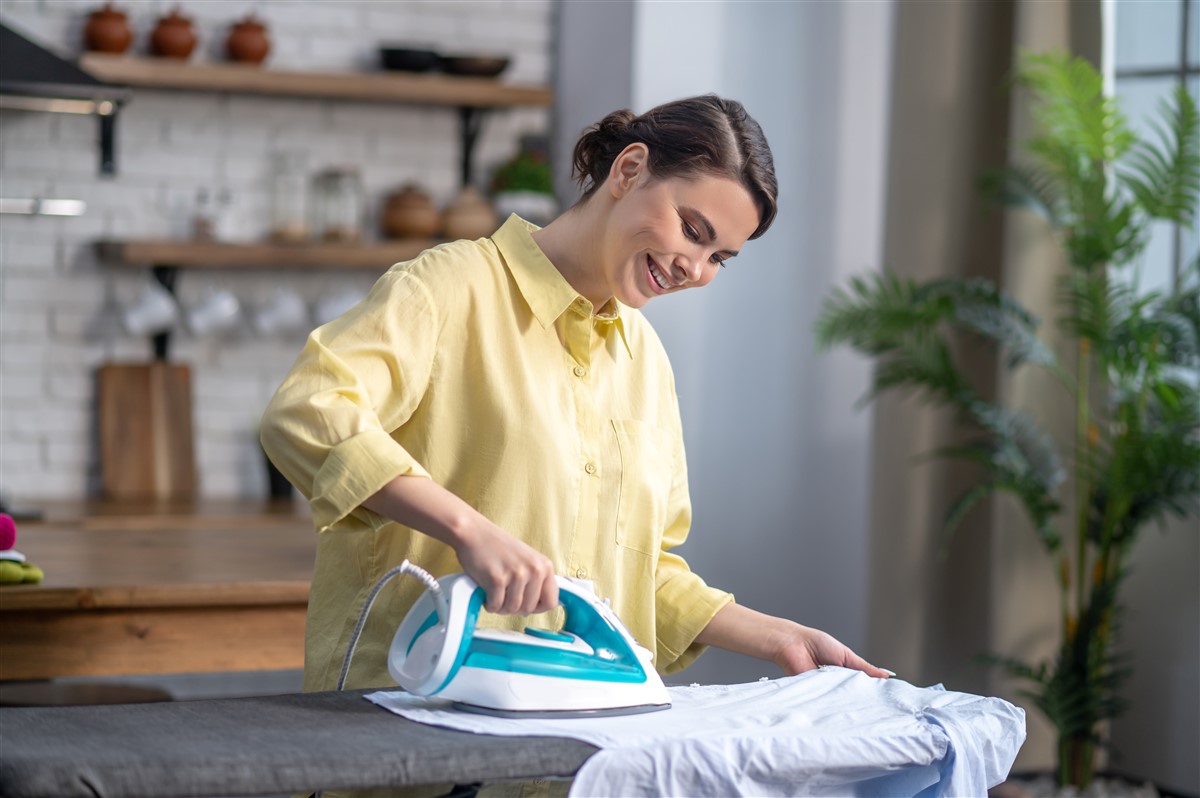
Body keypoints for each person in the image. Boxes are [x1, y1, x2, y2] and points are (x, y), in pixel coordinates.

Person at [260, 95, 888, 705]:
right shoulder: (449, 289)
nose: (694, 269)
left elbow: (638, 574)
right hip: (413, 731)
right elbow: (308, 409)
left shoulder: (645, 361)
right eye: (692, 230)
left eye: (718, 257)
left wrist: (780, 637)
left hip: (579, 751)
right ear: (630, 169)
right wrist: (470, 530)